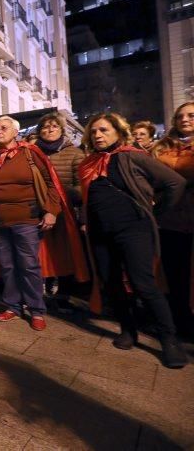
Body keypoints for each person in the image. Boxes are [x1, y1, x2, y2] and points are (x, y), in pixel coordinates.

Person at [79, 112, 187, 368]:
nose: (98, 135)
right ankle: (128, 330)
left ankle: (169, 340)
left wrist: (154, 213)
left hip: (133, 230)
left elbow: (175, 182)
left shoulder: (132, 155)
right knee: (111, 282)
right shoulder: (90, 162)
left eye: (104, 130)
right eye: (94, 131)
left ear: (118, 132)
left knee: (143, 284)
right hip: (100, 233)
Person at [0, 116, 88, 332]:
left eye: (3, 128)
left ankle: (36, 309)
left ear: (16, 132)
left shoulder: (31, 153)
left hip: (27, 220)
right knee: (7, 266)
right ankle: (13, 306)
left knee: (28, 265)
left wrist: (51, 212)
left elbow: (51, 184)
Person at [152, 102, 194, 339]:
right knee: (174, 275)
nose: (185, 119)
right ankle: (180, 322)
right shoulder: (161, 149)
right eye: (180, 116)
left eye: (191, 115)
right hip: (170, 220)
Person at [35, 112, 85, 308]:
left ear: (61, 130)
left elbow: (81, 186)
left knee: (64, 254)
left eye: (53, 127)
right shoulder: (32, 153)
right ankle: (40, 292)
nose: (49, 130)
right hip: (37, 210)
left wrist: (62, 195)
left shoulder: (74, 153)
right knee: (40, 253)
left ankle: (63, 295)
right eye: (45, 127)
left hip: (65, 213)